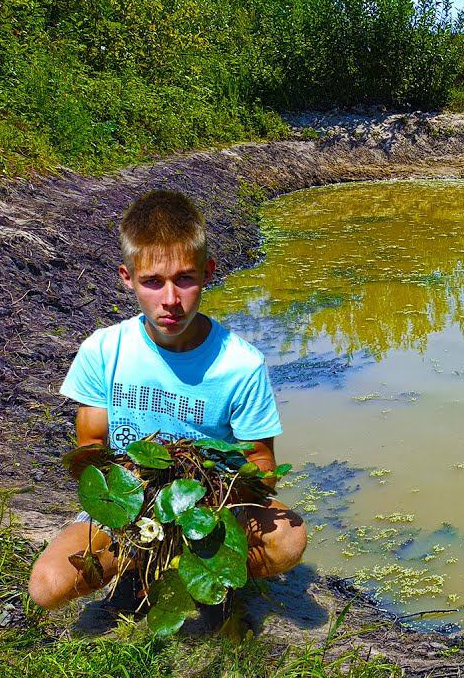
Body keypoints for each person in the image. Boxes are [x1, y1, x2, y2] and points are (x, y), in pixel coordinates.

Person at [28, 189, 306, 610]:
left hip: (207, 506)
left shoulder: (241, 364)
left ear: (208, 271)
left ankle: (207, 566)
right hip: (129, 507)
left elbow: (263, 466)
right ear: (127, 278)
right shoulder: (103, 350)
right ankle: (140, 559)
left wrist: (210, 495)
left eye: (185, 279)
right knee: (48, 587)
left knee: (288, 539)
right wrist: (135, 498)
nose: (171, 300)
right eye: (153, 283)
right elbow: (89, 452)